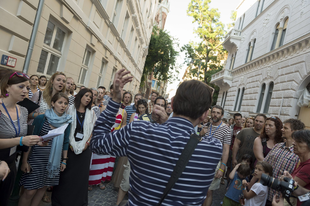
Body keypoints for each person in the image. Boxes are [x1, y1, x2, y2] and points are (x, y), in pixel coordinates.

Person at [91, 69, 222, 205]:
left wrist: (115, 100)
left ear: (172, 102)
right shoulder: (213, 149)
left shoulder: (139, 131)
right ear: (205, 114)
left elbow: (97, 143)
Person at [18, 93, 72, 206]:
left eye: (65, 103)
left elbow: (65, 142)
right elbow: (30, 140)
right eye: (60, 102)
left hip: (53, 162)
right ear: (53, 103)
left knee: (42, 189)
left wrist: (64, 160)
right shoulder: (41, 118)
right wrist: (24, 161)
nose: (63, 105)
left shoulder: (67, 121)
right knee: (29, 191)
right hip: (36, 160)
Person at [0, 71, 41, 206]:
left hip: (11, 163)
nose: (25, 91)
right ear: (7, 87)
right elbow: (19, 139)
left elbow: (21, 135)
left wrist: (35, 140)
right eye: (21, 87)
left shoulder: (23, 110)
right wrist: (21, 140)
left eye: (28, 88)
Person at [51, 89, 97, 206]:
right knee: (65, 176)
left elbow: (93, 130)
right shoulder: (69, 109)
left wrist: (87, 142)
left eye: (90, 97)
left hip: (85, 149)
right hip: (68, 147)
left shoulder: (91, 113)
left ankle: (78, 202)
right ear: (80, 96)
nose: (88, 99)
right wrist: (70, 143)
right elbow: (63, 126)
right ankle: (60, 201)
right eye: (86, 96)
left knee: (80, 178)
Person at [264, 119, 305, 204]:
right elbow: (264, 165)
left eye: (285, 128)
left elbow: (294, 183)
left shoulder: (298, 154)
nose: (282, 130)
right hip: (264, 194)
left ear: (294, 131)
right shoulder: (277, 146)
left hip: (279, 200)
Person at [200, 105, 231, 206]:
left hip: (215, 163)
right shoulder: (206, 126)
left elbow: (226, 150)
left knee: (209, 191)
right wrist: (201, 134)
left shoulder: (226, 129)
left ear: (222, 115)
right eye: (213, 112)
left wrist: (222, 168)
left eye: (218, 113)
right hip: (201, 161)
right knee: (199, 189)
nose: (215, 114)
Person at [291, 130, 310, 206]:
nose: (293, 143)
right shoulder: (300, 161)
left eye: (299, 141)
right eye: (294, 141)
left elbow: (291, 187)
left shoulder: (308, 165)